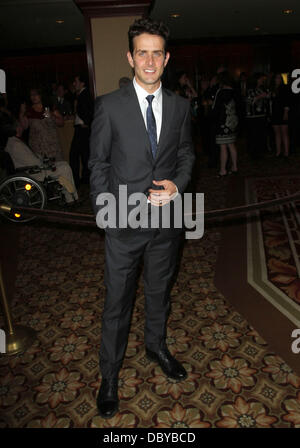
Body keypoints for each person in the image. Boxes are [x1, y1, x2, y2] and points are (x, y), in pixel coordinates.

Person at [89, 17, 195, 419]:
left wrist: (178, 186)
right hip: (122, 224)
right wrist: (105, 213)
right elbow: (97, 163)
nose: (149, 61)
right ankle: (110, 376)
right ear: (130, 57)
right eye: (142, 53)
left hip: (167, 223)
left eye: (157, 53)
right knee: (117, 302)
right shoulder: (109, 107)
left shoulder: (182, 107)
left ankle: (156, 346)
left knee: (158, 293)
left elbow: (186, 154)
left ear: (166, 58)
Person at [3, 117, 78, 204]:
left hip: (31, 169)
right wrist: (43, 162)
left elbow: (29, 157)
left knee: (63, 164)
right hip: (34, 172)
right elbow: (33, 162)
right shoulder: (16, 144)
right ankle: (71, 198)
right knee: (64, 168)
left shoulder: (13, 142)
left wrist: (41, 158)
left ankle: (71, 196)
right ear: (17, 128)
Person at [19, 88, 64, 161]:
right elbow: (25, 126)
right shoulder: (29, 111)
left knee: (57, 168)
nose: (33, 97)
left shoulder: (48, 107)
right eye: (31, 95)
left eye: (35, 94)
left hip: (52, 146)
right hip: (38, 148)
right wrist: (21, 113)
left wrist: (51, 115)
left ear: (41, 95)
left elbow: (62, 123)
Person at [212, 71, 239, 177]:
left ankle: (223, 170)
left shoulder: (221, 92)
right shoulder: (234, 91)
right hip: (232, 122)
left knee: (223, 146)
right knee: (231, 145)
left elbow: (216, 109)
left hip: (222, 123)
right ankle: (235, 166)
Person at [70, 74, 94, 187]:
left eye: (76, 81)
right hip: (81, 129)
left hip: (82, 130)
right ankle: (83, 180)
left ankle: (79, 180)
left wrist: (87, 123)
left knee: (76, 155)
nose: (74, 84)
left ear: (82, 83)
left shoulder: (84, 95)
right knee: (83, 155)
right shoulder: (81, 95)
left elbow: (90, 111)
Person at [245, 73, 270, 159]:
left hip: (261, 115)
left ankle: (260, 151)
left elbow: (268, 96)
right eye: (260, 79)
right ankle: (253, 153)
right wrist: (260, 96)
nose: (262, 81)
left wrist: (264, 96)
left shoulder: (262, 88)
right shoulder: (250, 90)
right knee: (253, 135)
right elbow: (250, 102)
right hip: (253, 116)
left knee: (261, 135)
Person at [270, 73, 290, 157]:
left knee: (284, 133)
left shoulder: (284, 88)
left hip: (282, 112)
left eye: (279, 78)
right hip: (274, 113)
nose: (278, 79)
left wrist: (286, 113)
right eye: (276, 78)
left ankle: (286, 152)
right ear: (274, 79)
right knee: (277, 133)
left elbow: (287, 101)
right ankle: (278, 152)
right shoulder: (272, 89)